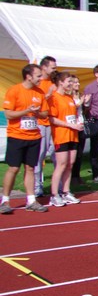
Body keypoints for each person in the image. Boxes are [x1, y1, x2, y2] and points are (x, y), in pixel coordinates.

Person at [1, 64, 50, 213]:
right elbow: (8, 114)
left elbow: (45, 113)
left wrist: (36, 113)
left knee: (30, 168)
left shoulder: (40, 92)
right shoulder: (14, 91)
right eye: (38, 76)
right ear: (28, 76)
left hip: (34, 136)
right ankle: (5, 200)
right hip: (17, 135)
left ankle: (31, 200)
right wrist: (26, 111)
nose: (41, 78)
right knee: (14, 168)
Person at [47, 71, 83, 207]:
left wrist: (77, 124)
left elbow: (73, 115)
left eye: (72, 82)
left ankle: (66, 192)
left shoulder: (69, 98)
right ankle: (54, 194)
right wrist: (70, 125)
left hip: (73, 135)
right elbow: (52, 118)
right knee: (61, 164)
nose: (71, 84)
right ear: (61, 82)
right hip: (61, 135)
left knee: (70, 164)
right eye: (69, 82)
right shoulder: (54, 98)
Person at [33, 55, 57, 197]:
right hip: (41, 123)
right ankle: (37, 187)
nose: (54, 70)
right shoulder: (38, 83)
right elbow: (35, 102)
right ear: (44, 67)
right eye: (52, 67)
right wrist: (48, 94)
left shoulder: (53, 81)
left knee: (56, 155)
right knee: (40, 155)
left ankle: (58, 187)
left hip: (54, 122)